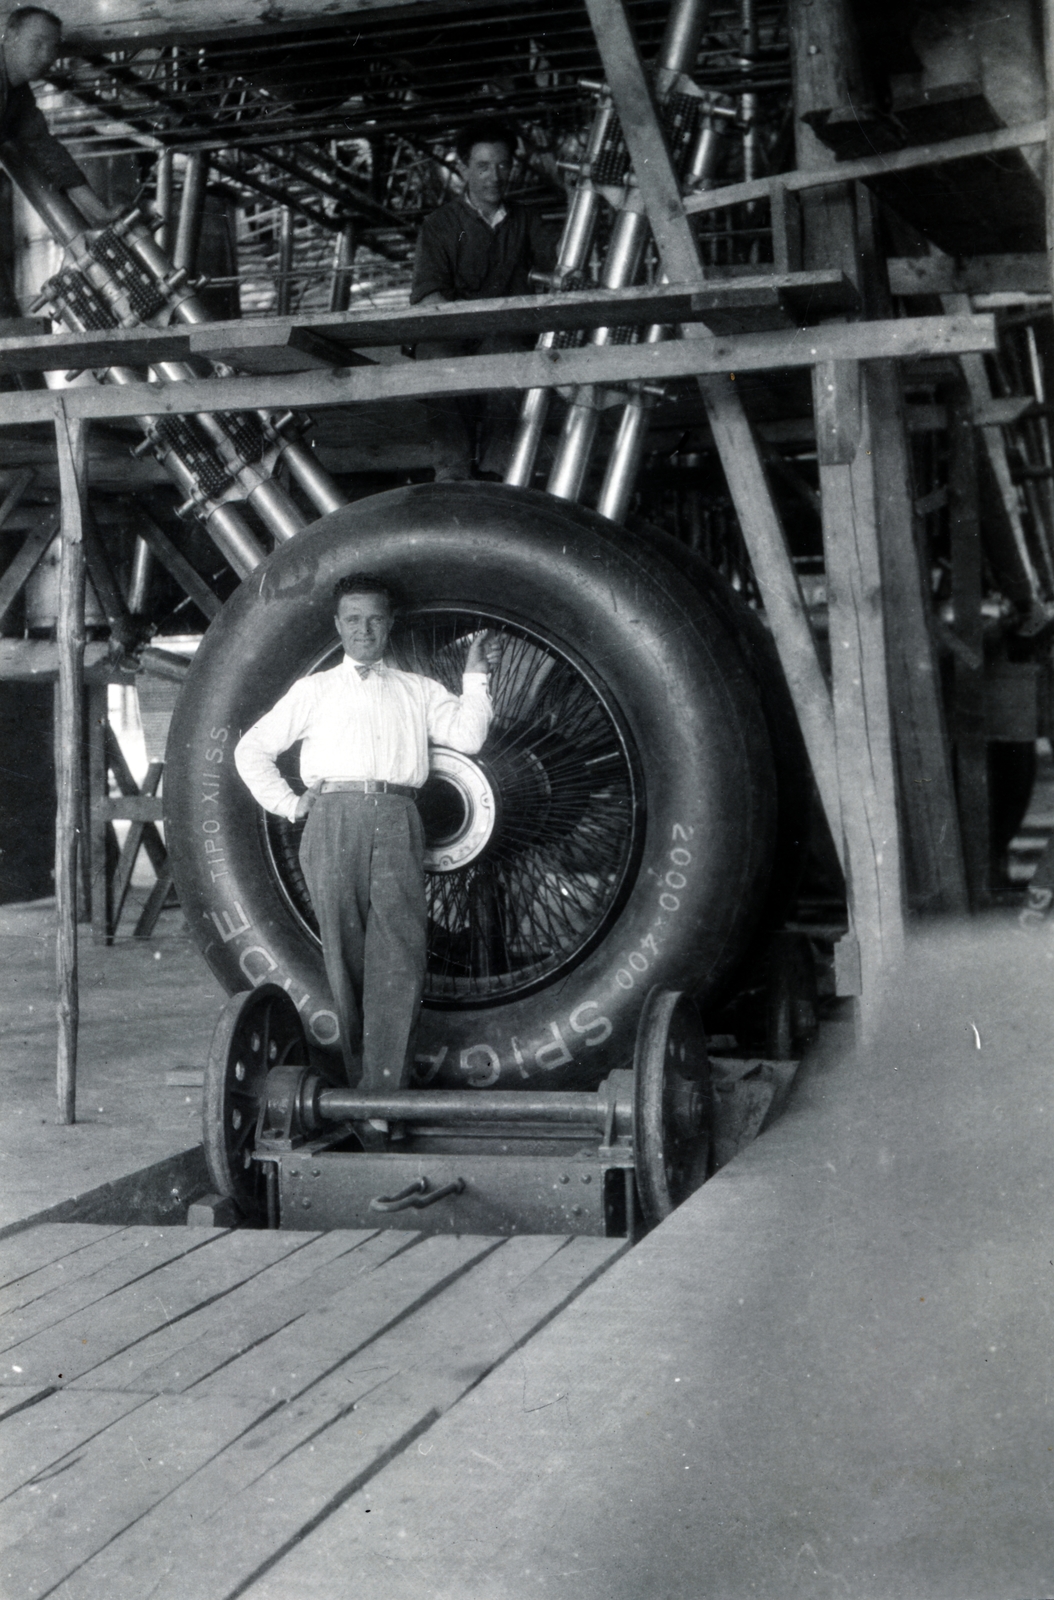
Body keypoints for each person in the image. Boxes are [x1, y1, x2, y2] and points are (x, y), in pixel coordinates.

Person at [234, 574, 500, 1102]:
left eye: (375, 619)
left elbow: (468, 736)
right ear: (338, 625)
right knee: (345, 958)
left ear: (390, 623)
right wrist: (291, 804)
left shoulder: (416, 689)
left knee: (401, 958)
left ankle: (384, 1101)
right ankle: (361, 1093)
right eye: (353, 619)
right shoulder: (314, 691)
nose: (364, 629)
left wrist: (475, 678)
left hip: (399, 816)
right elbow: (251, 750)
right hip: (334, 818)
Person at [411, 115, 557, 480]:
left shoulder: (528, 221)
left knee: (508, 354)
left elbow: (561, 270)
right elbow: (428, 296)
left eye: (503, 166)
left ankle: (497, 475)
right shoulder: (439, 224)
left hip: (504, 336)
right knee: (438, 358)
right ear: (463, 169)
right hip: (453, 335)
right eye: (483, 167)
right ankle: (453, 475)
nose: (494, 176)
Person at [0, 7, 118, 315]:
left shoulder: (19, 99)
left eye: (52, 48)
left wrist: (99, 213)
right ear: (9, 36)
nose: (45, 55)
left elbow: (49, 153)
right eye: (37, 43)